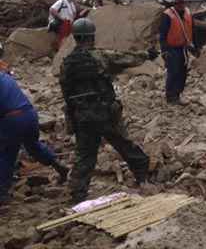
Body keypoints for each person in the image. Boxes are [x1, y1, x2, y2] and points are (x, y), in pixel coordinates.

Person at [59, 18, 158, 203]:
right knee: (124, 145)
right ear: (92, 36)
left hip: (82, 115)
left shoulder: (67, 63)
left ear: (75, 37)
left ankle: (78, 194)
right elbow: (126, 58)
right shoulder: (100, 57)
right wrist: (147, 54)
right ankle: (143, 177)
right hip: (104, 112)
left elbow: (66, 91)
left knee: (85, 155)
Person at [1, 71, 69, 205]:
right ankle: (59, 167)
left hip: (12, 119)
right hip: (29, 114)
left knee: (5, 154)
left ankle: (2, 193)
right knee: (33, 145)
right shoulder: (4, 76)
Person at [159, 0, 198, 105]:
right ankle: (171, 96)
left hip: (183, 48)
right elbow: (163, 34)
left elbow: (193, 30)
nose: (181, 4)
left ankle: (178, 93)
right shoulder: (168, 15)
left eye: (183, 1)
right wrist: (164, 50)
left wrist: (195, 46)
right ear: (174, 2)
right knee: (173, 72)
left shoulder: (187, 13)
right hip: (171, 48)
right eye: (179, 2)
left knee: (183, 72)